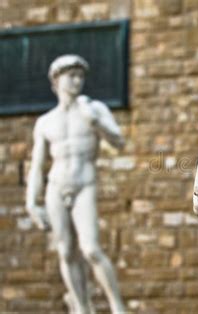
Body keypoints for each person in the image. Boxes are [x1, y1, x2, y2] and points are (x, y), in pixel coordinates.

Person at [26, 55, 126, 314]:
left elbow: (118, 142)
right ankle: (82, 308)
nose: (77, 81)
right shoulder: (46, 121)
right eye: (71, 76)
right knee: (66, 251)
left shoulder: (94, 109)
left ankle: (117, 307)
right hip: (56, 187)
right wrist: (31, 203)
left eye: (80, 76)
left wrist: (95, 121)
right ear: (56, 81)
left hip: (84, 183)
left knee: (91, 248)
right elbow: (37, 166)